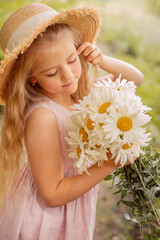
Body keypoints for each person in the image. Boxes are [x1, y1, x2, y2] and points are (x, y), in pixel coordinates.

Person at [0, 3, 144, 240]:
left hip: (73, 201)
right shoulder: (43, 116)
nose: (68, 76)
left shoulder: (84, 96)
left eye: (71, 60)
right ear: (32, 79)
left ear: (80, 51)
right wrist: (108, 165)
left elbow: (134, 79)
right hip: (45, 218)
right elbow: (52, 195)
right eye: (52, 73)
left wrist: (102, 60)